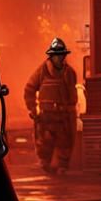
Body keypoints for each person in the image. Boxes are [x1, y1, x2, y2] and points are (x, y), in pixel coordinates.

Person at [24, 37, 78, 175]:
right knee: (44, 142)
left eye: (61, 54)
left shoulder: (70, 73)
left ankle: (62, 167)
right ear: (51, 56)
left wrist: (71, 111)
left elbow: (72, 95)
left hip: (64, 116)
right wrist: (32, 108)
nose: (59, 58)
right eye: (56, 55)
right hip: (46, 116)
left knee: (65, 141)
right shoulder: (42, 71)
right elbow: (29, 88)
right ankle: (45, 165)